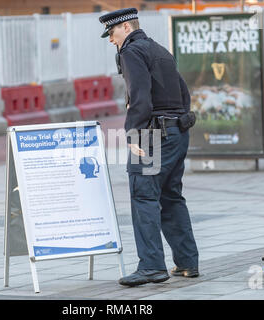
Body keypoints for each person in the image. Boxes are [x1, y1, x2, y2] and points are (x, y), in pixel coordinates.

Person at [99, 8, 199, 287]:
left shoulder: (131, 52)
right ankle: (188, 261)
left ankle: (152, 266)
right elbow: (183, 91)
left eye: (112, 32)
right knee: (171, 196)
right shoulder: (159, 49)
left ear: (126, 28)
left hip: (153, 137)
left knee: (143, 197)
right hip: (177, 132)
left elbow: (140, 97)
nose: (110, 39)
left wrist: (132, 134)